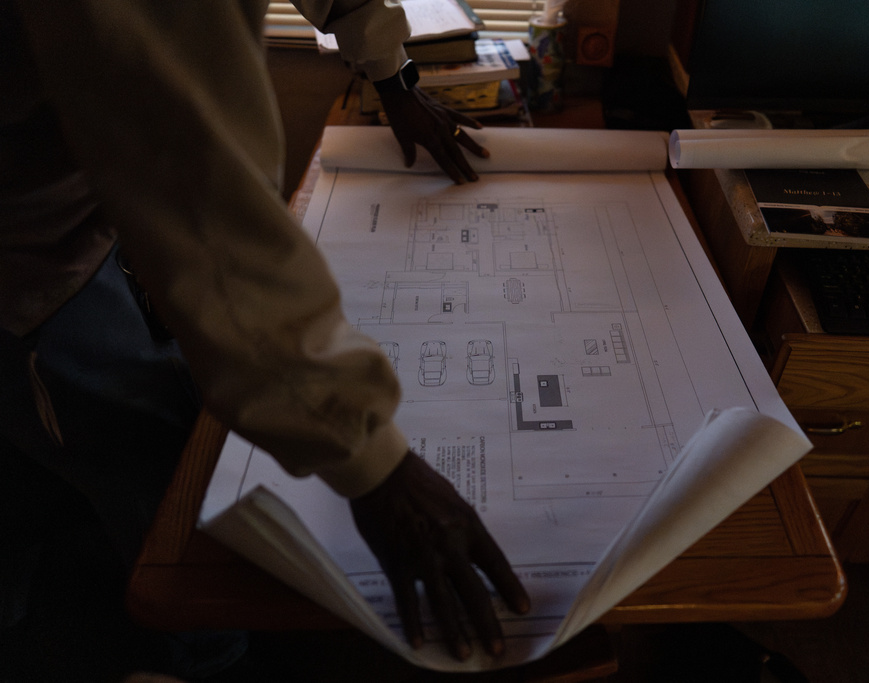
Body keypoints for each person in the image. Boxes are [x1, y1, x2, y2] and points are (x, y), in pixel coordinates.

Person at [1, 0, 529, 679]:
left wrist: (393, 75)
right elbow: (202, 202)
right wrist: (375, 463)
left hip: (77, 194)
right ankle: (211, 658)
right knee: (151, 461)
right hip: (29, 258)